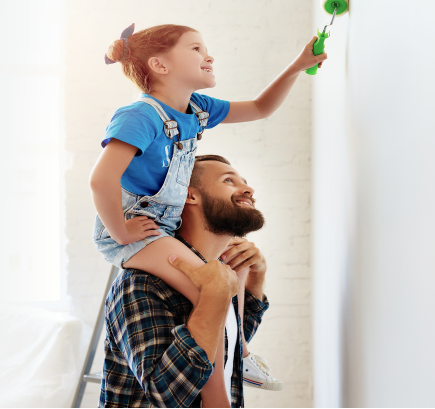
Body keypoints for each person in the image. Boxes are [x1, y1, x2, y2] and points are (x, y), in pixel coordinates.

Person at [90, 23, 323, 396]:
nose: (209, 55)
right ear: (159, 65)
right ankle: (228, 380)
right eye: (196, 49)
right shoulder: (139, 116)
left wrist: (298, 65)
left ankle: (241, 351)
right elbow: (101, 180)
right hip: (137, 229)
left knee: (228, 275)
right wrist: (121, 232)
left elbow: (261, 108)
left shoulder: (196, 109)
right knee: (209, 292)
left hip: (163, 227)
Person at [99, 155, 271, 408]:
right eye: (228, 181)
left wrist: (256, 278)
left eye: (244, 182)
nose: (248, 189)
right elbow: (166, 396)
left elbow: (229, 342)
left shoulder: (220, 275)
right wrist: (214, 296)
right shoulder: (143, 283)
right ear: (190, 196)